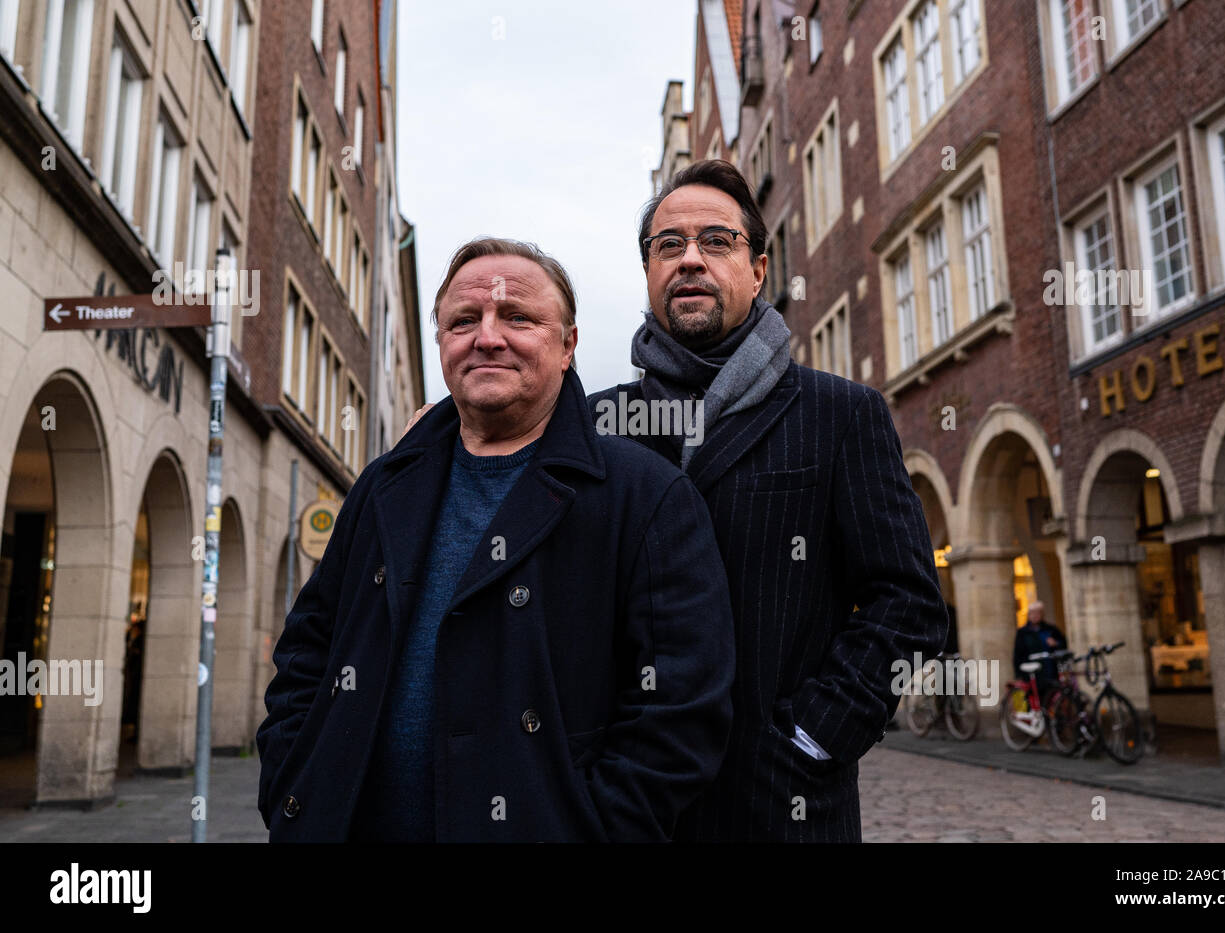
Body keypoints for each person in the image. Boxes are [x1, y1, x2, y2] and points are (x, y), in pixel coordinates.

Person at [403, 162, 949, 842]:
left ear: (758, 269)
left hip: (778, 804)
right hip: (613, 813)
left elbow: (908, 602)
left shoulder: (838, 415)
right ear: (649, 273)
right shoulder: (587, 427)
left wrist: (815, 734)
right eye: (668, 245)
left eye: (715, 241)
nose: (689, 259)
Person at [257, 237, 735, 842]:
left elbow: (681, 712)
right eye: (464, 320)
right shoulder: (384, 486)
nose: (487, 337)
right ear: (441, 344)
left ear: (567, 346)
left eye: (517, 317)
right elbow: (307, 653)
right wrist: (294, 784)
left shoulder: (645, 496)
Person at [1013, 600, 1068, 698]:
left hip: (1049, 669)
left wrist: (1056, 643)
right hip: (1032, 671)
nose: (1034, 615)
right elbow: (1017, 654)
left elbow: (1063, 644)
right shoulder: (1023, 632)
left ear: (1042, 614)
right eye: (1032, 613)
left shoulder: (1050, 629)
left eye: (1037, 613)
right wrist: (1018, 675)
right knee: (1034, 697)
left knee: (1052, 695)